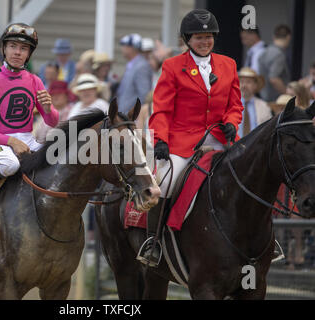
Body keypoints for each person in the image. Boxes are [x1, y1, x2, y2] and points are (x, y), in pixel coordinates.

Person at [137, 9, 244, 267]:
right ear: (187, 39)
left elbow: (235, 105)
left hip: (221, 138)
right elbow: (161, 109)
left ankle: (264, 239)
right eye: (199, 37)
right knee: (164, 180)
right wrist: (161, 139)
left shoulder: (228, 64)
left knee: (254, 171)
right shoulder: (173, 66)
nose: (205, 41)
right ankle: (154, 242)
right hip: (184, 142)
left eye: (209, 36)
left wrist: (231, 122)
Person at [0, 23, 59, 212]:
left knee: (58, 158)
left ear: (29, 53)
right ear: (4, 49)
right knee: (10, 164)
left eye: (23, 48)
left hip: (27, 138)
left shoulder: (35, 80)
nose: (17, 52)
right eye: (13, 46)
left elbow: (52, 122)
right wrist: (11, 141)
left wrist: (48, 109)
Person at [116, 33, 152, 113]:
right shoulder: (132, 64)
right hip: (125, 116)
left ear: (132, 48)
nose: (122, 49)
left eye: (125, 46)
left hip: (132, 118)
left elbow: (144, 95)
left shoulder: (141, 66)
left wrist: (134, 115)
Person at [258, 24, 292, 102]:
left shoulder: (264, 52)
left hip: (264, 98)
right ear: (288, 37)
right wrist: (287, 94)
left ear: (274, 36)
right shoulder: (279, 54)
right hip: (276, 101)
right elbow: (274, 78)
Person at [238, 67, 272, 137]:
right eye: (242, 82)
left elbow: (268, 131)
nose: (244, 85)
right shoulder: (230, 104)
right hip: (234, 146)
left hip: (257, 146)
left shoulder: (264, 107)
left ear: (255, 85)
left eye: (248, 82)